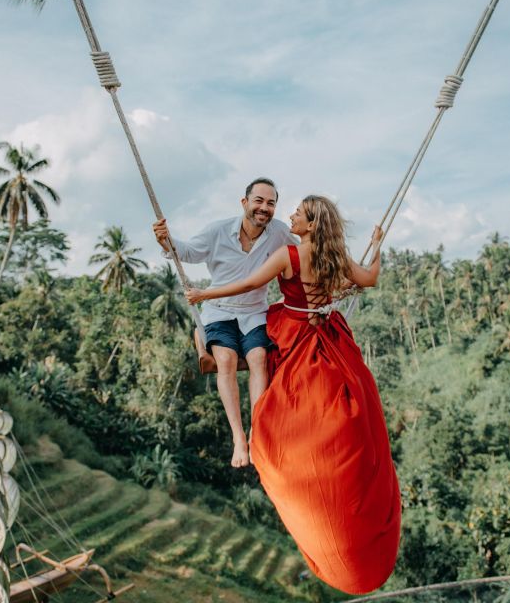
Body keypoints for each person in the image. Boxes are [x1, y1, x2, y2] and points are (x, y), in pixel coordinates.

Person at [185, 195, 401, 595]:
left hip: (294, 328)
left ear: (311, 223)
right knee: (347, 405)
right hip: (329, 330)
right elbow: (369, 278)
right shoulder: (336, 255)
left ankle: (213, 355)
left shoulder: (291, 254)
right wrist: (379, 245)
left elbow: (251, 284)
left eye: (298, 214)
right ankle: (216, 353)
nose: (291, 217)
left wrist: (205, 296)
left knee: (249, 342)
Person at [152, 178, 296, 468]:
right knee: (226, 360)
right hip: (218, 310)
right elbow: (189, 252)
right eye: (258, 201)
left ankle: (258, 433)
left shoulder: (279, 233)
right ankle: (238, 438)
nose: (264, 208)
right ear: (245, 203)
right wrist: (165, 240)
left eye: (270, 203)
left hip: (255, 311)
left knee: (258, 357)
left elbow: (306, 254)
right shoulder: (218, 230)